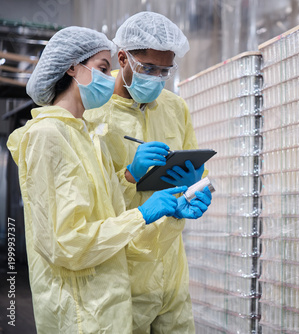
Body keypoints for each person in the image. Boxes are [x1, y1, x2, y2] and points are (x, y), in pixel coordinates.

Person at [7, 26, 211, 333]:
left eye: (164, 71)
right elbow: (66, 242)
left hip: (125, 284)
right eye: (104, 69)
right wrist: (141, 209)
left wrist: (183, 199)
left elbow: (105, 205)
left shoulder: (86, 134)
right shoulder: (53, 134)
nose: (108, 77)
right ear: (72, 68)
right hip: (88, 297)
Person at [85, 12, 206, 333]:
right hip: (121, 264)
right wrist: (129, 175)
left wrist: (195, 188)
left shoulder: (174, 107)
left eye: (164, 71)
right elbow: (85, 202)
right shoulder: (93, 108)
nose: (156, 78)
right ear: (122, 57)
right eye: (148, 68)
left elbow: (191, 163)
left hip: (170, 260)